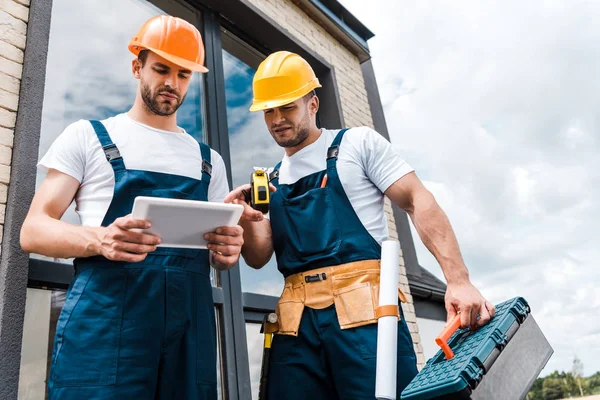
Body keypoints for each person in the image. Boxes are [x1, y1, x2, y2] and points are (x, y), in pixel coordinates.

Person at [222, 51, 496, 399]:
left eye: (287, 106)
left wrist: (458, 280)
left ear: (313, 103)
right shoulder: (271, 179)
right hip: (295, 325)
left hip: (364, 318)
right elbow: (259, 256)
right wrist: (246, 220)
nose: (277, 118)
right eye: (269, 111)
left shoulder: (356, 144)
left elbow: (418, 200)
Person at [20, 15, 243, 400]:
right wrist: (101, 239)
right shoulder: (89, 137)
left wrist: (226, 253)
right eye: (161, 69)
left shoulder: (210, 161)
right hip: (105, 325)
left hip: (189, 331)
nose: (172, 83)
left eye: (184, 74)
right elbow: (33, 230)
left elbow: (219, 255)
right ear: (137, 66)